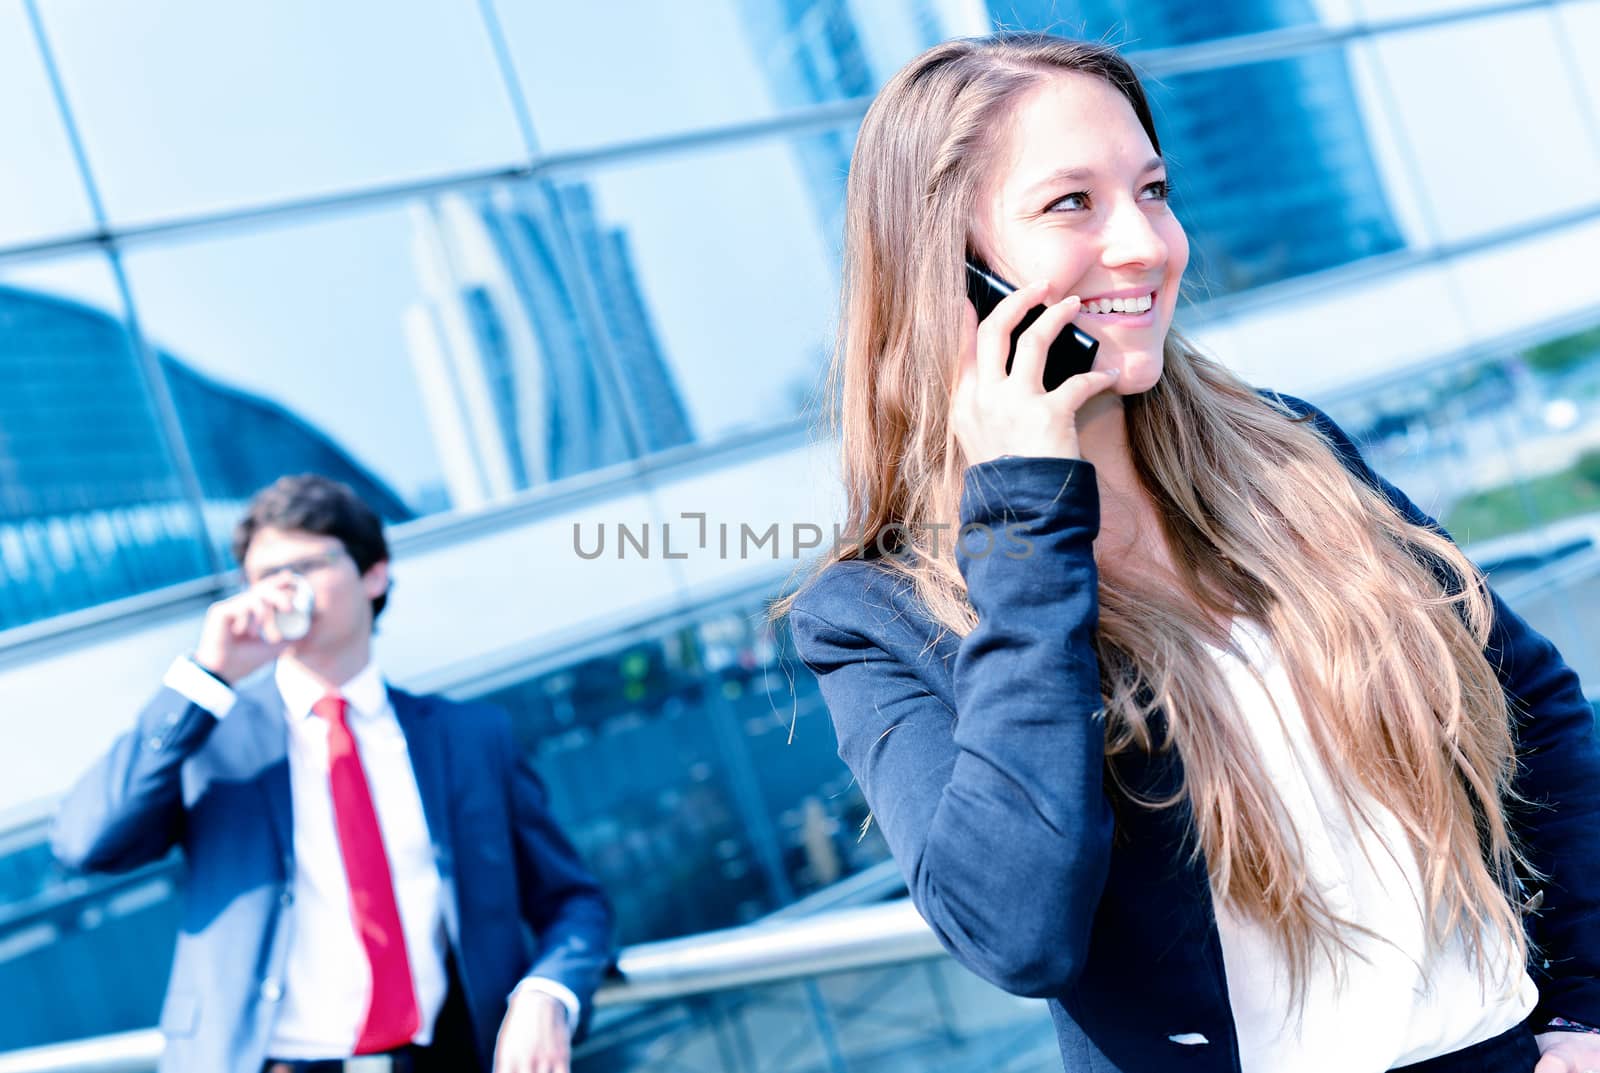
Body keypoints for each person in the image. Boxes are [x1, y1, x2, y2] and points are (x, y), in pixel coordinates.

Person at [779, 33, 1600, 1073]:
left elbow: (1535, 701)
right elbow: (1015, 929)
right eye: (1071, 204)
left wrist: (1582, 996)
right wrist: (1025, 520)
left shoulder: (1288, 454)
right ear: (950, 266)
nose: (1144, 243)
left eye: (1152, 190)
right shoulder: (875, 612)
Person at [52, 474, 613, 1073]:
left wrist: (547, 993)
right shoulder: (214, 737)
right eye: (265, 577)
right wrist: (204, 676)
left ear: (374, 573)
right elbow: (85, 842)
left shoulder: (470, 738)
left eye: (306, 567)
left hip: (440, 1058)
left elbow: (574, 902)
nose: (285, 593)